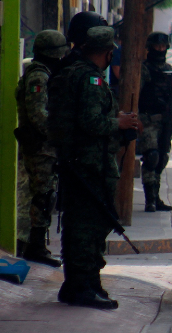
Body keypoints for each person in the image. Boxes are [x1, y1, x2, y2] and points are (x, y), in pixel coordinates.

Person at [49, 26, 139, 309]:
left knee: (85, 226)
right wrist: (119, 123)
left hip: (80, 163)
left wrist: (116, 118)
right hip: (88, 165)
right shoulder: (89, 78)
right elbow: (90, 123)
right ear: (109, 52)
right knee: (86, 229)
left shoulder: (73, 72)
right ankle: (80, 286)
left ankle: (85, 282)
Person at [15, 30, 70, 267]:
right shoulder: (39, 77)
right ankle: (35, 245)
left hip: (44, 147)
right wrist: (58, 136)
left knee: (45, 194)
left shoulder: (44, 73)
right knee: (43, 195)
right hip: (40, 147)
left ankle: (36, 243)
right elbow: (39, 116)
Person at [138, 32, 172, 212]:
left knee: (162, 158)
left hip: (165, 122)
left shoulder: (169, 69)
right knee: (151, 157)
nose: (160, 49)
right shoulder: (143, 69)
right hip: (147, 120)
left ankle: (156, 198)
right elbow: (135, 96)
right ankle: (149, 199)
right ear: (150, 47)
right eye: (157, 46)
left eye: (163, 46)